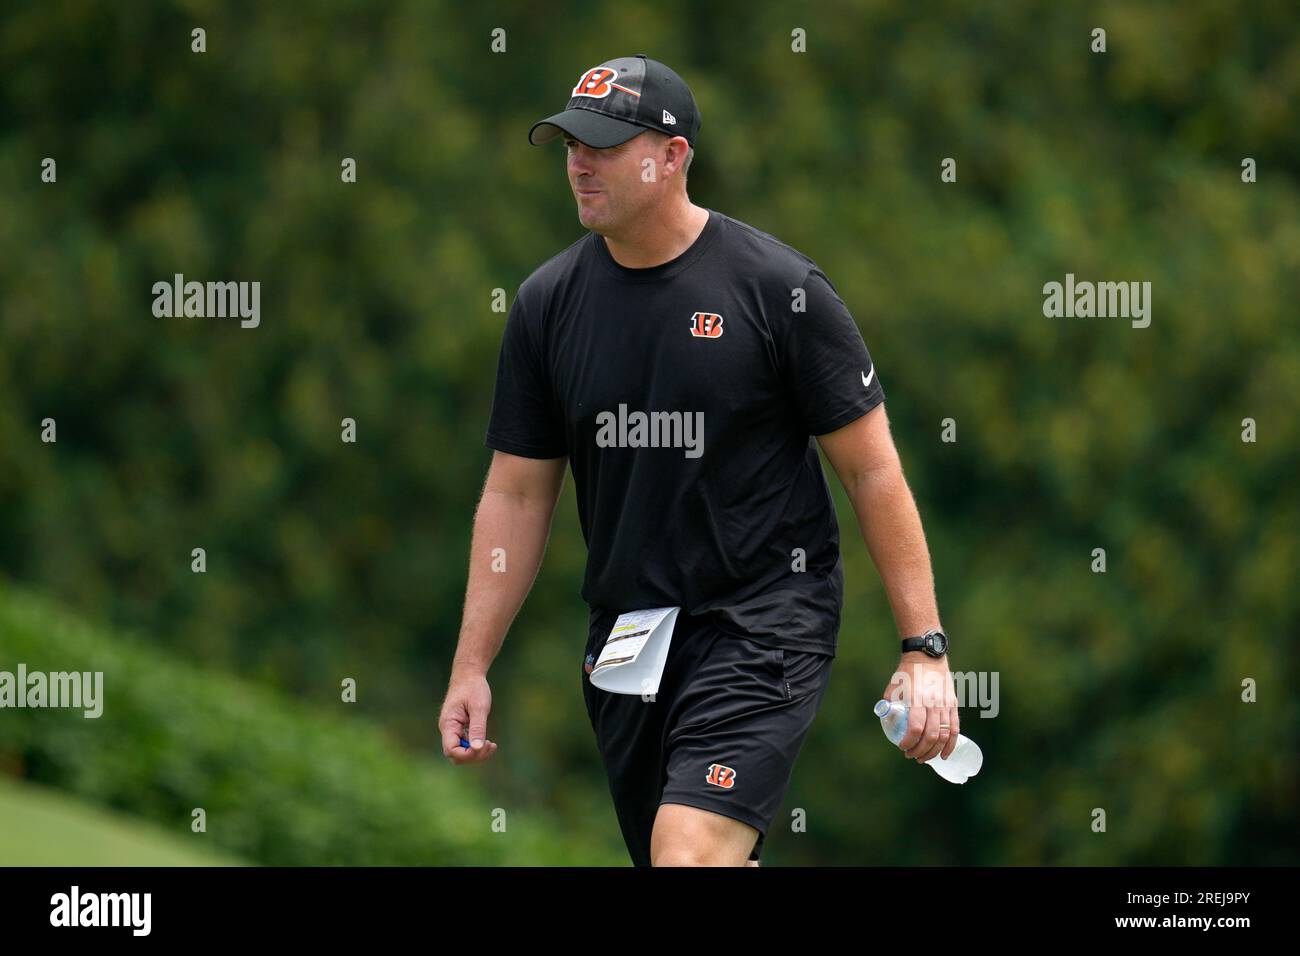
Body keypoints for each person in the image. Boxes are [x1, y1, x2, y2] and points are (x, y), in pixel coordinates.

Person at [440, 54, 958, 867]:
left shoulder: (780, 291)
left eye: (605, 144)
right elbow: (516, 495)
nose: (578, 162)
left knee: (685, 852)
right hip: (627, 638)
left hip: (764, 620)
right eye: (571, 142)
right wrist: (473, 664)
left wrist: (923, 651)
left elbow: (873, 471)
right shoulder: (545, 306)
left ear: (673, 157)